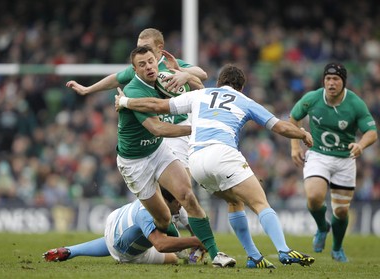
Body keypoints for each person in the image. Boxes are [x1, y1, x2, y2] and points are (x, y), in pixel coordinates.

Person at [115, 64, 316, 267]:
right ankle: (284, 250)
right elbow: (280, 126)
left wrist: (125, 101)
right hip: (222, 154)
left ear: (219, 83)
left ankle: (254, 256)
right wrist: (303, 134)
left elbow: (157, 106)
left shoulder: (201, 94)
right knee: (259, 203)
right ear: (241, 88)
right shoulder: (244, 100)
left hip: (196, 162)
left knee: (234, 202)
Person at [103, 45, 235, 268]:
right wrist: (196, 128)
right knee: (164, 219)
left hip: (158, 150)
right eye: (142, 65)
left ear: (157, 60)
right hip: (134, 162)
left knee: (187, 195)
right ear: (135, 70)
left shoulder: (165, 80)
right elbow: (157, 128)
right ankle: (183, 247)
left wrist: (184, 74)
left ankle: (215, 255)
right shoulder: (135, 91)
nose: (149, 67)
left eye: (151, 61)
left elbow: (199, 90)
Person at [66, 28, 206, 170]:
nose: (142, 51)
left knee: (182, 182)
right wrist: (87, 89)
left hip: (177, 128)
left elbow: (202, 74)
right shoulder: (139, 69)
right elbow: (115, 79)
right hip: (156, 135)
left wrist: (184, 73)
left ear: (159, 48)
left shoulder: (170, 64)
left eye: (146, 47)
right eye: (139, 47)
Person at [289, 62, 378, 262]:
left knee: (341, 210)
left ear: (343, 83)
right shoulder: (312, 99)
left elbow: (372, 132)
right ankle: (322, 227)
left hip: (345, 160)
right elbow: (293, 119)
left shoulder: (355, 103)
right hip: (318, 154)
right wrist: (295, 147)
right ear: (323, 81)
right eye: (328, 79)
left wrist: (361, 145)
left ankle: (337, 248)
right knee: (313, 197)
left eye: (336, 79)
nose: (331, 83)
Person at [43, 188, 206, 264]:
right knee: (172, 259)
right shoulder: (148, 214)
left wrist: (195, 238)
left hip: (115, 221)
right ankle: (185, 255)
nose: (180, 204)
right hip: (124, 249)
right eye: (177, 201)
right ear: (167, 200)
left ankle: (70, 251)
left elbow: (185, 220)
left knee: (166, 230)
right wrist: (195, 241)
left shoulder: (157, 198)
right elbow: (160, 245)